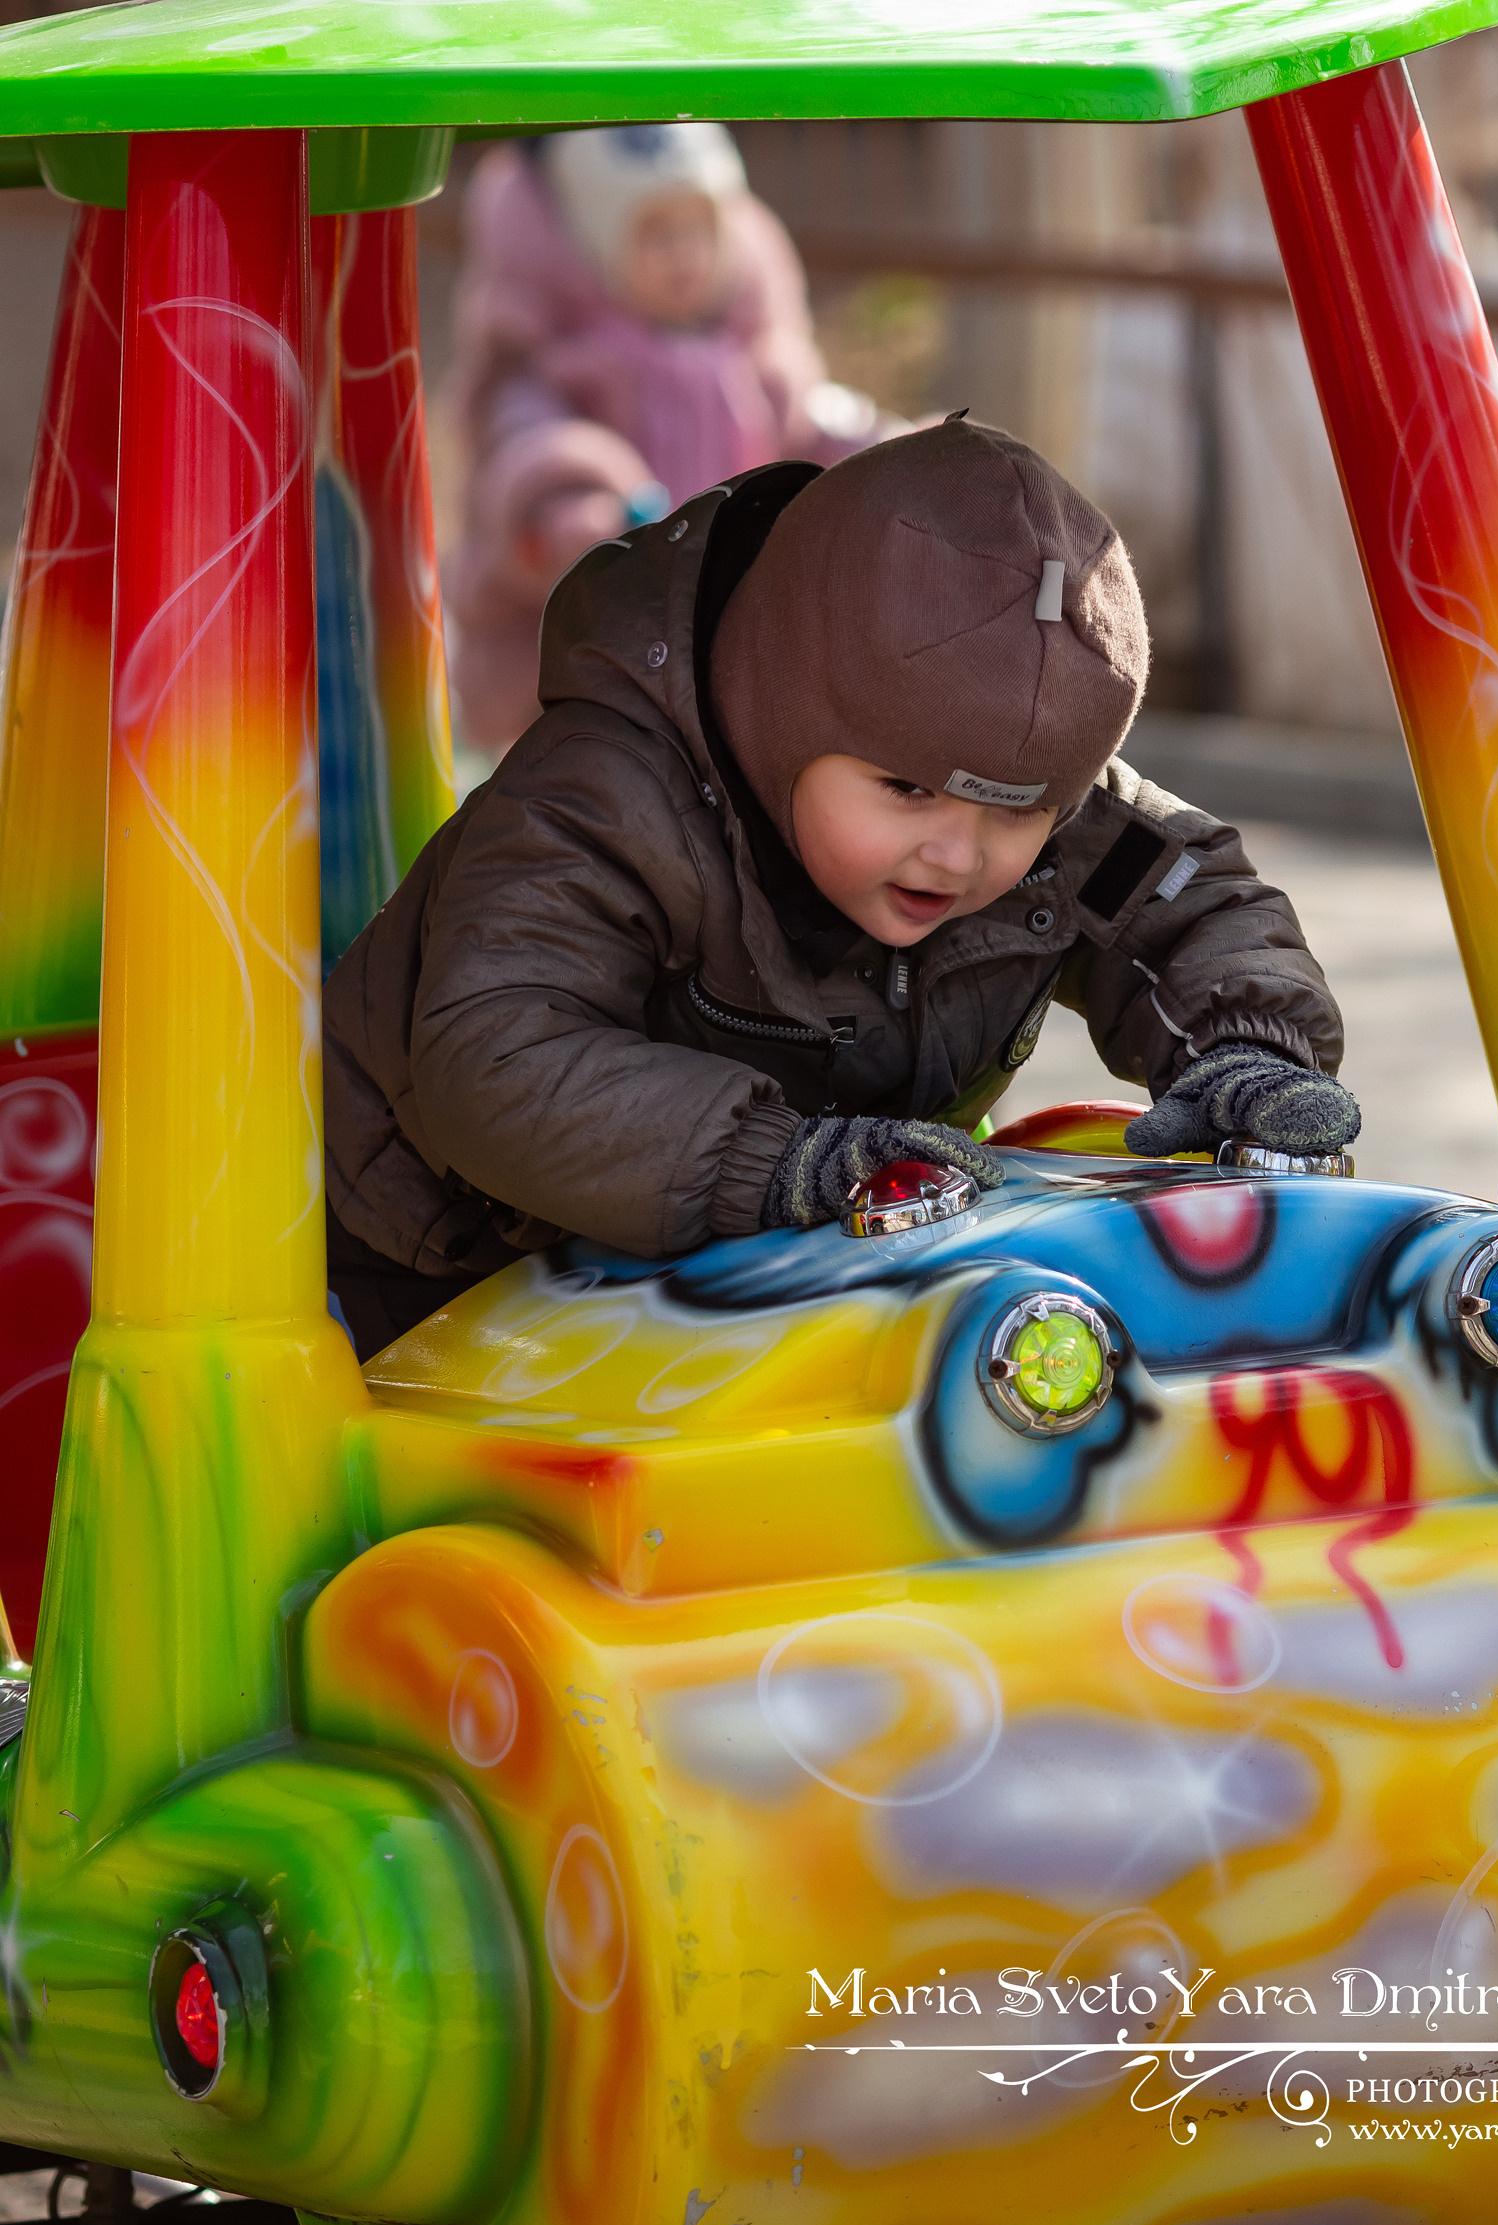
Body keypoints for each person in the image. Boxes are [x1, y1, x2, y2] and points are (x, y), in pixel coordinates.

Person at [324, 418, 1358, 1361]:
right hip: (432, 1264)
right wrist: (775, 1164)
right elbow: (499, 1052)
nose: (955, 855)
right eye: (903, 791)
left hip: (740, 1265)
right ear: (782, 714)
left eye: (1014, 814)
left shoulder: (1045, 815)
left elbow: (1186, 897)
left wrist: (1244, 1056)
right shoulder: (606, 803)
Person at [445, 120, 902, 753]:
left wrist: (893, 460)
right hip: (583, 649)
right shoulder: (567, 360)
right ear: (591, 243)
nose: (683, 253)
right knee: (589, 776)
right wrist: (576, 503)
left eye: (700, 230)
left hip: (718, 637)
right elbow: (526, 435)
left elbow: (811, 424)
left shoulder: (751, 360)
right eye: (655, 233)